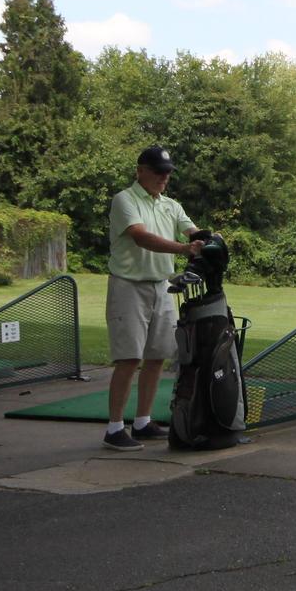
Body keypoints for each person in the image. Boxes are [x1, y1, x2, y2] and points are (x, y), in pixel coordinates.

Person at [103, 146, 205, 451]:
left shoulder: (170, 205)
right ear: (141, 171)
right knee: (128, 357)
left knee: (157, 355)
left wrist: (208, 239)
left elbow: (190, 228)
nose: (164, 177)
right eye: (158, 171)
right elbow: (141, 237)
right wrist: (185, 250)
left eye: (168, 172)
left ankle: (143, 422)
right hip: (128, 286)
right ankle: (114, 428)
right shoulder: (125, 199)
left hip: (161, 286)